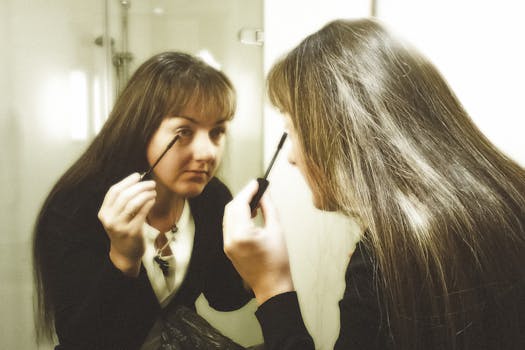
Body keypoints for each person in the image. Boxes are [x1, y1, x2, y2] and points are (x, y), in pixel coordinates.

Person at [223, 18, 525, 350]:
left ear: (336, 131)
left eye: (291, 129)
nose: (292, 158)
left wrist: (272, 288)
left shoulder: (386, 261)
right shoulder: (511, 195)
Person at [33, 52, 253, 349]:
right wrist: (123, 261)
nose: (207, 153)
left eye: (217, 132)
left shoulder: (212, 199)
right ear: (142, 128)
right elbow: (80, 339)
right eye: (184, 132)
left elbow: (223, 297)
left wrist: (251, 261)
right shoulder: (75, 207)